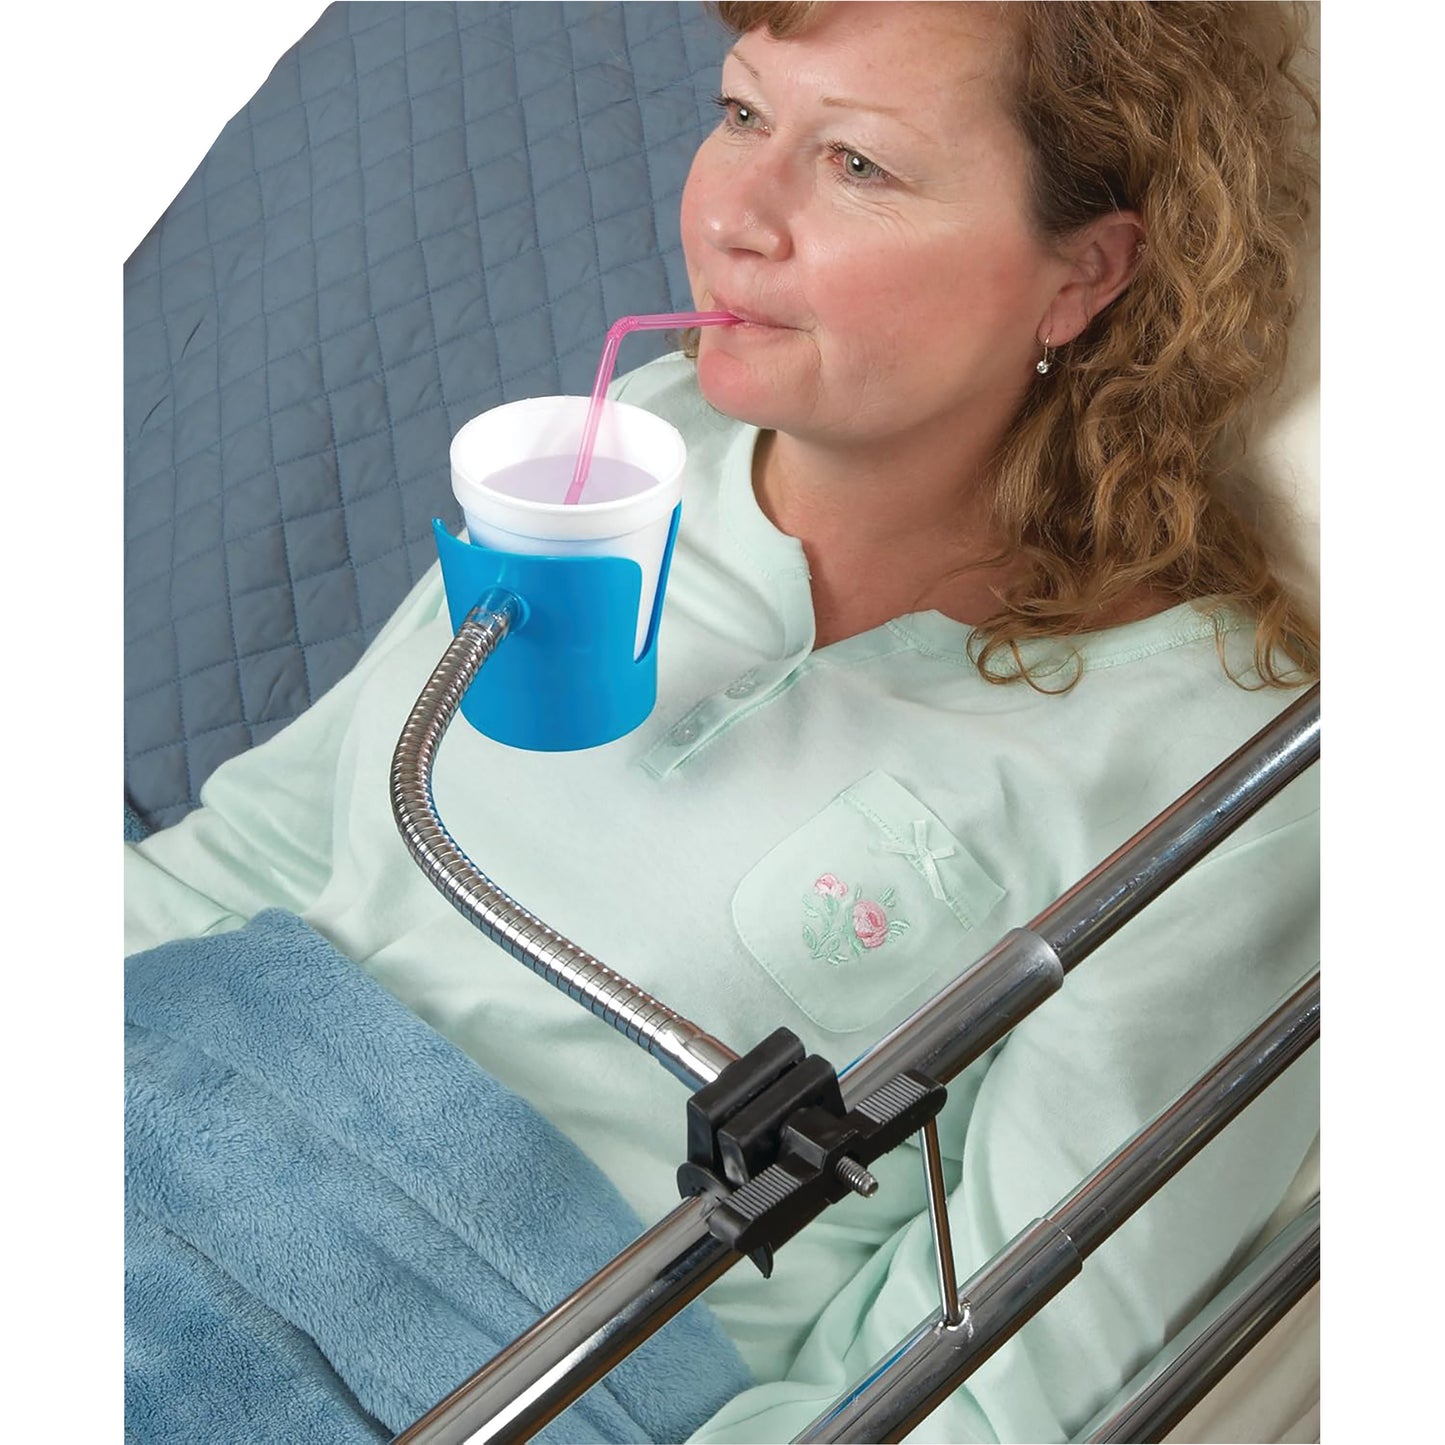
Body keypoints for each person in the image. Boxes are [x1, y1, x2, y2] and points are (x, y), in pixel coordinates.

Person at [124, 2, 1320, 1441]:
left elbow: (990, 1379)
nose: (731, 213)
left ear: (1084, 270)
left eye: (858, 164)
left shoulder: (1210, 763)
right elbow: (252, 846)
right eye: (743, 113)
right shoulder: (633, 445)